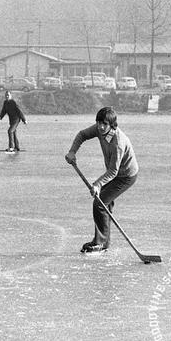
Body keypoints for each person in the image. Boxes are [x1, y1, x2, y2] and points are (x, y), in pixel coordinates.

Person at [65, 107, 139, 253]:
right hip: (115, 174)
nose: (100, 126)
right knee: (104, 203)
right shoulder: (99, 130)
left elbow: (113, 171)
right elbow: (82, 135)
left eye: (104, 123)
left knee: (99, 203)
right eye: (98, 122)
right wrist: (72, 151)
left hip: (126, 176)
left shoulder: (118, 142)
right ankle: (103, 242)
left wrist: (98, 184)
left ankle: (100, 243)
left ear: (112, 124)